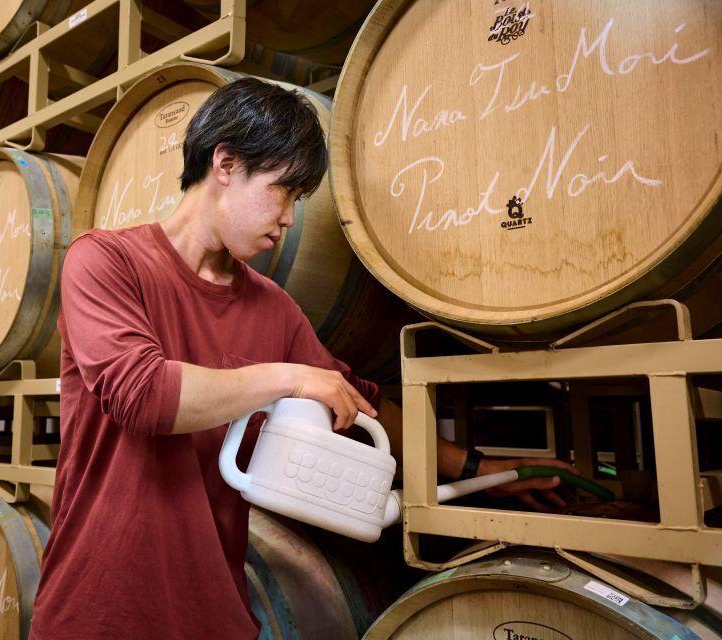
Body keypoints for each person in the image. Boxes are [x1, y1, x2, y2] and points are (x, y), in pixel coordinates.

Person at [29, 77, 576, 640]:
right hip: (95, 609)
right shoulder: (104, 261)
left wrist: (475, 469)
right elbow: (143, 396)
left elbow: (358, 404)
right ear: (226, 164)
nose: (290, 218)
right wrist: (288, 378)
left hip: (213, 616)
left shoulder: (274, 310)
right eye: (283, 192)